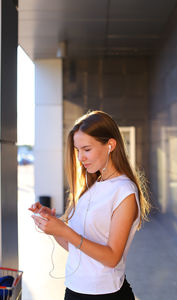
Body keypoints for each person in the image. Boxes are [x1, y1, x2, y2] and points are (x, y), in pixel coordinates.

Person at [29, 110, 150, 300]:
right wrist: (53, 226)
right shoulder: (90, 187)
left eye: (86, 149)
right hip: (74, 290)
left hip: (105, 294)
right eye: (78, 150)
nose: (80, 158)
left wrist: (65, 230)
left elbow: (112, 258)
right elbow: (75, 248)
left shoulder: (124, 191)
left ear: (110, 145)